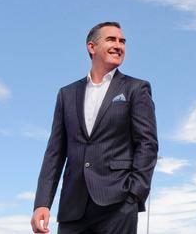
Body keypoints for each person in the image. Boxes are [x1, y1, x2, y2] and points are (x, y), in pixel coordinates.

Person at [31, 22, 158, 234]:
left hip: (118, 203)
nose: (119, 45)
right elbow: (54, 153)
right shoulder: (67, 94)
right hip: (73, 208)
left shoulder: (136, 89)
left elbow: (147, 144)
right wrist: (42, 203)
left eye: (122, 41)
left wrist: (134, 195)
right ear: (92, 47)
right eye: (112, 39)